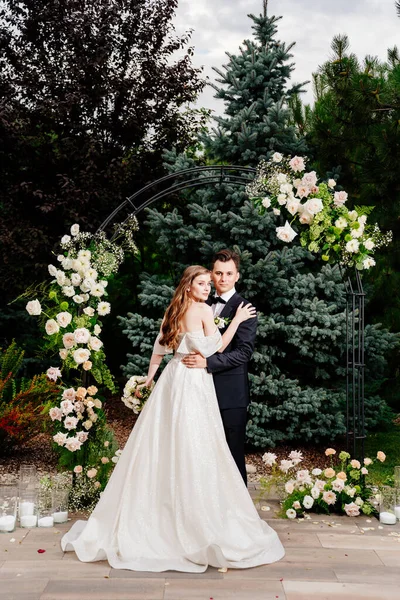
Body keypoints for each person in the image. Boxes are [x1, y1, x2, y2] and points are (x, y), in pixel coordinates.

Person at [61, 265, 285, 572]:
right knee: (196, 442)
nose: (208, 287)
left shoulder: (173, 311)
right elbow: (218, 346)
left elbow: (159, 350)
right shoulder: (205, 311)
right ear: (190, 286)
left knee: (162, 440)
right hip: (194, 381)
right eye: (203, 283)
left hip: (172, 379)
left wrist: (150, 379)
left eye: (210, 283)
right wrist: (236, 321)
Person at [182, 249, 255, 485]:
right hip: (199, 390)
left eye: (229, 273)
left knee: (232, 456)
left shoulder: (245, 309)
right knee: (202, 455)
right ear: (211, 275)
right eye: (218, 273)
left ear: (237, 276)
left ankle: (239, 515)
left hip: (230, 395)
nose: (223, 279)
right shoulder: (201, 302)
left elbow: (243, 353)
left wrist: (208, 363)